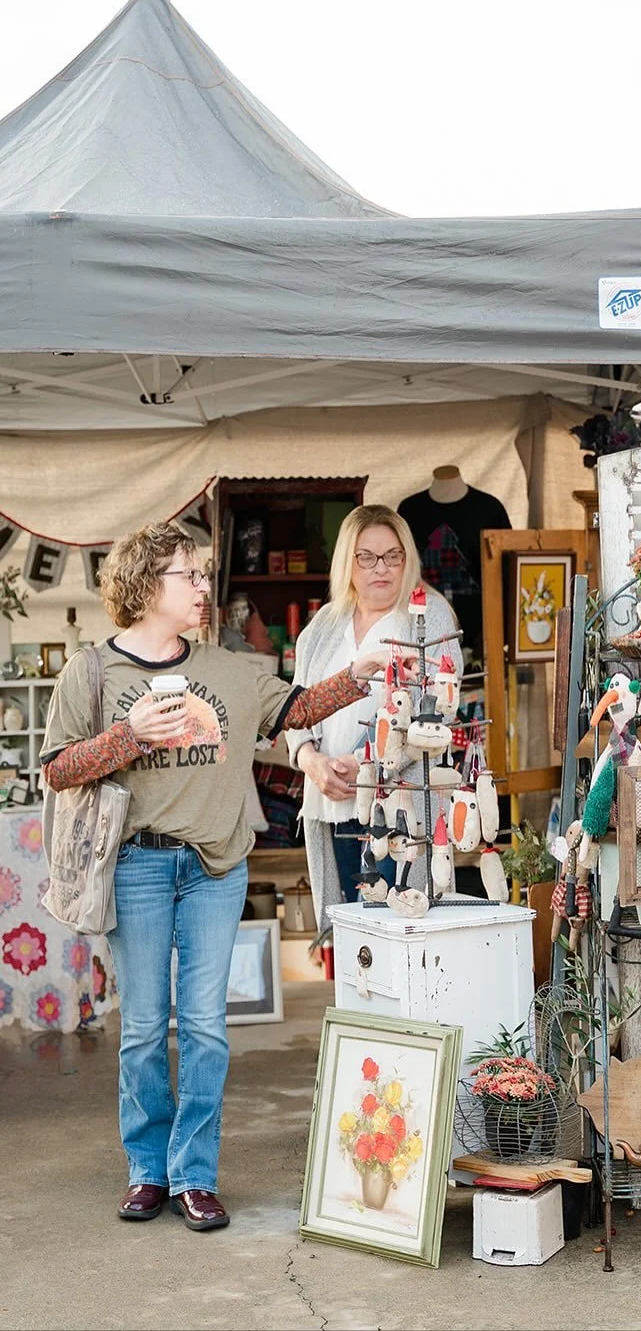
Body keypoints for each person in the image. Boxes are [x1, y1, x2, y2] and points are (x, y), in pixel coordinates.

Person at [40, 520, 416, 1232]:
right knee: (145, 1028)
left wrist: (360, 674)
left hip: (215, 867)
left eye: (206, 574)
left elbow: (294, 710)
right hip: (137, 866)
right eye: (192, 575)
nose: (205, 587)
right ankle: (147, 1169)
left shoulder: (230, 668)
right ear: (150, 584)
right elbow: (58, 769)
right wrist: (130, 736)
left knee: (207, 1029)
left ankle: (194, 1175)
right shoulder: (93, 672)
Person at [287, 504, 462, 922]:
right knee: (351, 935)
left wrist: (368, 761)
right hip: (333, 803)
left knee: (400, 929)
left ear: (407, 559)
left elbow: (442, 709)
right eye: (365, 557)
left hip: (399, 806)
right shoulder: (322, 627)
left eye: (392, 556)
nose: (379, 568)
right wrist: (310, 760)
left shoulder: (428, 616)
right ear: (348, 563)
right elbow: (294, 710)